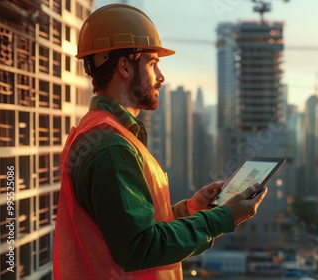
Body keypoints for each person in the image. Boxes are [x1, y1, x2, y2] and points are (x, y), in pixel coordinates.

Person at [53, 4, 267, 279]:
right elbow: (139, 247)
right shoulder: (112, 146)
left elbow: (127, 227)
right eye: (153, 64)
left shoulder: (103, 131)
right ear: (125, 67)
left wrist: (190, 209)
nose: (161, 77)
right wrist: (222, 218)